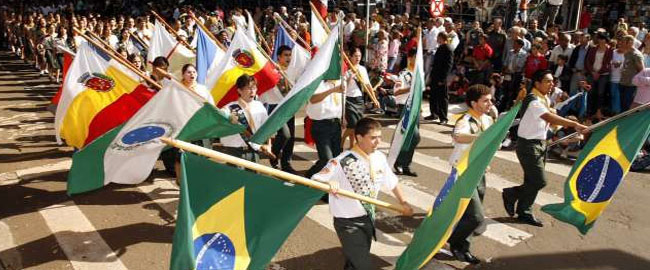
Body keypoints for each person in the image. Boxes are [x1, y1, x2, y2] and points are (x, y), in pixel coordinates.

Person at [312, 117, 413, 270]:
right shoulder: (341, 161)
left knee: (355, 260)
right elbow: (316, 179)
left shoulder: (379, 157)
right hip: (347, 222)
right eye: (373, 138)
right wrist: (328, 184)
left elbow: (391, 182)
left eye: (379, 137)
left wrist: (403, 202)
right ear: (359, 137)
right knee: (363, 264)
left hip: (368, 217)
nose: (378, 142)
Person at [502, 70, 588, 227]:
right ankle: (511, 193)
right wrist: (574, 124)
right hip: (528, 145)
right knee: (539, 181)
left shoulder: (544, 99)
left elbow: (551, 118)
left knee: (531, 181)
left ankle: (524, 212)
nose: (552, 84)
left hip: (541, 143)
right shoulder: (533, 100)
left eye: (552, 81)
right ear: (537, 83)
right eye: (548, 81)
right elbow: (548, 117)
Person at [447, 84, 494, 265]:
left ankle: (463, 246)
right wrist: (483, 137)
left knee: (469, 216)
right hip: (464, 172)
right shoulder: (465, 121)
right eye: (485, 101)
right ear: (474, 103)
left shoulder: (487, 120)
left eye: (490, 100)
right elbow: (458, 136)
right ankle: (455, 243)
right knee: (476, 217)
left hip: (480, 172)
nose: (490, 104)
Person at [259, 45, 297, 174]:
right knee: (284, 134)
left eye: (290, 55)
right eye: (285, 55)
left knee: (291, 136)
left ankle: (286, 163)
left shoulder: (292, 71)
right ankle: (274, 156)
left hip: (289, 106)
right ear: (279, 57)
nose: (288, 58)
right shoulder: (273, 71)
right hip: (276, 106)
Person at [220, 75, 274, 162]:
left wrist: (268, 145)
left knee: (255, 175)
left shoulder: (259, 106)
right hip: (235, 151)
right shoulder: (229, 108)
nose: (252, 91)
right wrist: (228, 118)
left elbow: (266, 128)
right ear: (240, 90)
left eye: (254, 88)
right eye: (249, 88)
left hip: (253, 151)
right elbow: (219, 119)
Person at [305, 80, 345, 178]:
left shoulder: (340, 80)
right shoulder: (318, 82)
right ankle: (310, 176)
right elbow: (312, 99)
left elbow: (342, 102)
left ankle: (325, 180)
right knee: (326, 159)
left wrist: (344, 117)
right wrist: (332, 90)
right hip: (320, 124)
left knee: (335, 158)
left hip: (335, 123)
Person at [391, 48, 420, 177]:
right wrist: (410, 88)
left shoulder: (418, 74)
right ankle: (398, 161)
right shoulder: (404, 74)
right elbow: (396, 92)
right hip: (406, 107)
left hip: (416, 108)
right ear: (410, 58)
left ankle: (406, 164)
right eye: (416, 57)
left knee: (411, 138)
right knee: (414, 137)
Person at [342, 47, 371, 149]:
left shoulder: (362, 69)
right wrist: (350, 78)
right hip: (349, 100)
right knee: (353, 125)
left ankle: (351, 146)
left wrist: (374, 98)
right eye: (355, 56)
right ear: (350, 56)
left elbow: (367, 84)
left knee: (355, 126)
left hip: (359, 99)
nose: (358, 58)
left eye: (359, 56)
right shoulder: (346, 69)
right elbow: (343, 87)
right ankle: (341, 142)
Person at [425, 31, 453, 124]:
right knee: (433, 95)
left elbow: (448, 65)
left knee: (442, 97)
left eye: (438, 37)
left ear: (442, 38)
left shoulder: (448, 48)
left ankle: (443, 118)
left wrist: (443, 79)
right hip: (435, 75)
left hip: (441, 77)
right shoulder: (440, 48)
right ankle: (434, 113)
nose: (437, 39)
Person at [619, 35, 645, 111]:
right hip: (623, 83)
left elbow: (642, 71)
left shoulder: (636, 55)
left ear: (629, 43)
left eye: (623, 42)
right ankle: (623, 121)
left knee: (628, 105)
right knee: (623, 104)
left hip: (631, 85)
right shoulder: (627, 53)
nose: (621, 43)